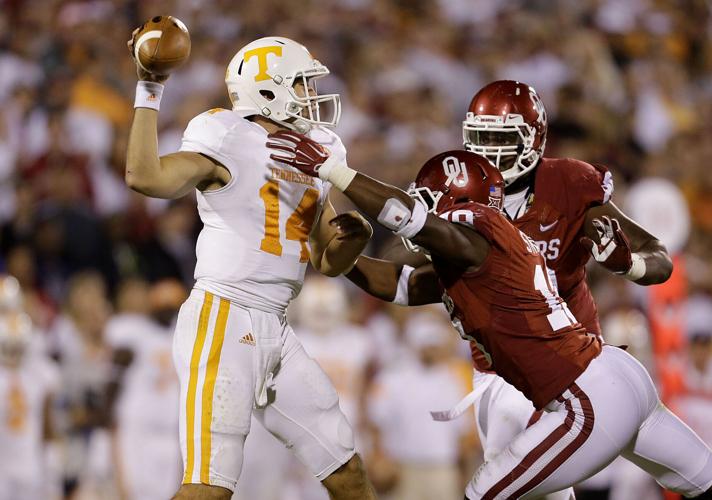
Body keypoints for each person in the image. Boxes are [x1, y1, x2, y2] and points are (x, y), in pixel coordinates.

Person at [264, 135, 712, 499]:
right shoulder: (476, 261)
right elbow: (398, 285)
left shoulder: (476, 232)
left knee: (484, 493)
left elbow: (409, 218)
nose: (425, 208)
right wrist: (335, 254)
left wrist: (336, 171)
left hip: (588, 399)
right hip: (616, 376)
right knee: (702, 478)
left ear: (457, 201)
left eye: (429, 198)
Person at [377, 79, 673, 500]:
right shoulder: (456, 187)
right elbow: (399, 270)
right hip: (502, 373)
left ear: (534, 138)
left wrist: (631, 265)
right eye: (481, 138)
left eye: (501, 138)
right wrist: (416, 233)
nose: (489, 152)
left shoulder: (569, 185)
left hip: (580, 364)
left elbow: (658, 255)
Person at [125, 30, 376, 500]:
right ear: (268, 89)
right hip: (224, 317)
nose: (311, 95)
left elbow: (326, 260)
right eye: (301, 83)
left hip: (276, 327)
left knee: (347, 472)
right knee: (209, 489)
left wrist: (352, 240)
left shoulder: (317, 149)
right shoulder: (226, 134)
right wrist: (150, 88)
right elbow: (146, 177)